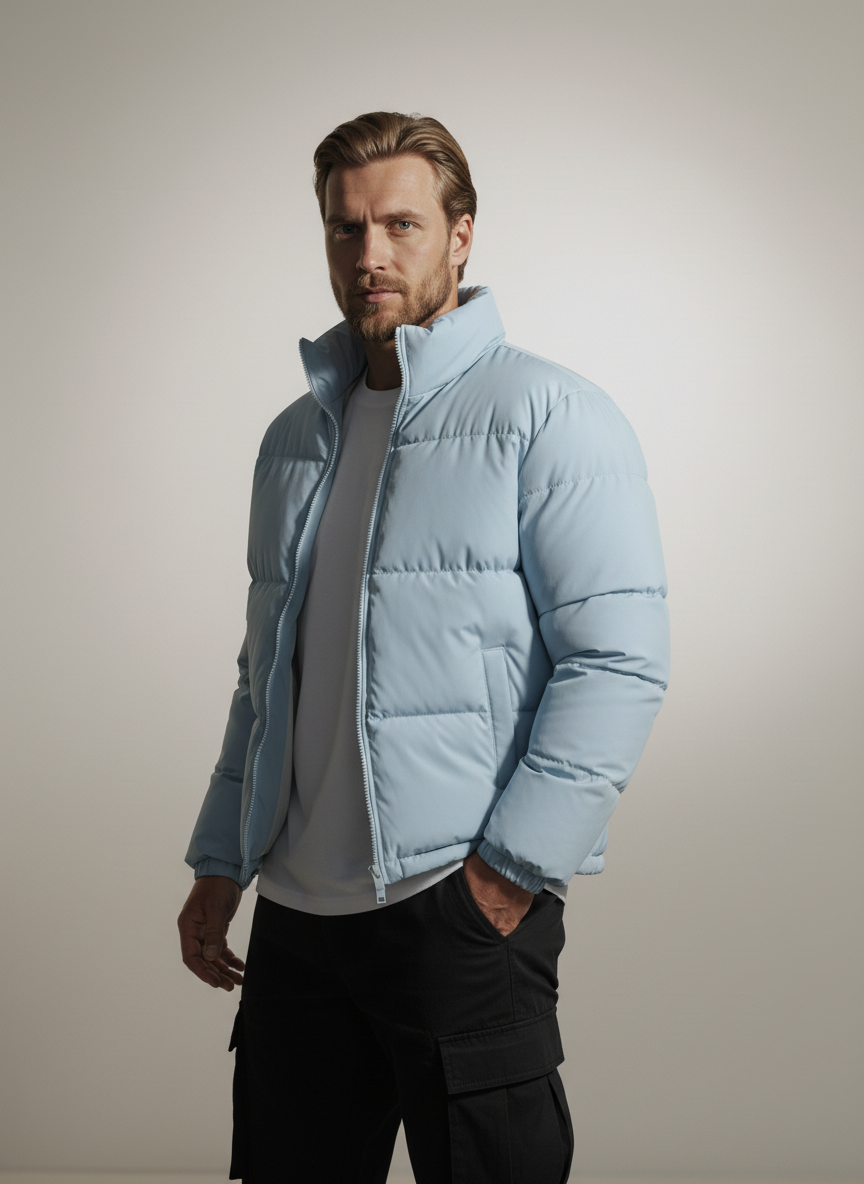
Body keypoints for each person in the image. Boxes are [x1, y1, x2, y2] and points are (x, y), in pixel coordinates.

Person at [177, 111, 670, 1183]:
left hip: (453, 902)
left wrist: (508, 874)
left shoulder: (549, 414)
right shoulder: (294, 438)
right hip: (297, 919)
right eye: (345, 228)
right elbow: (265, 675)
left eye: (400, 224)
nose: (370, 254)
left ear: (461, 234)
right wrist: (222, 858)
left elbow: (617, 660)